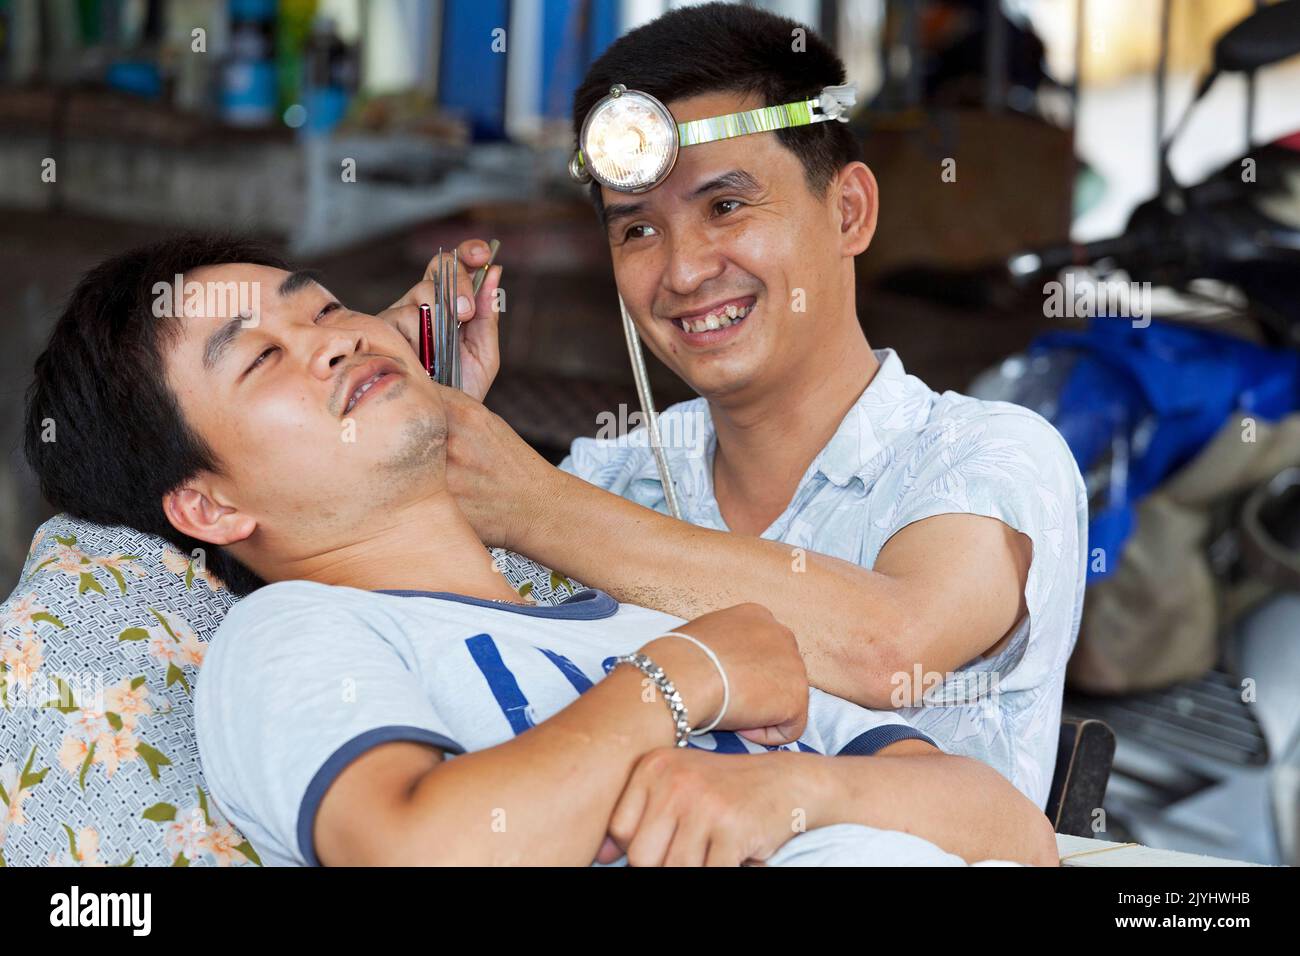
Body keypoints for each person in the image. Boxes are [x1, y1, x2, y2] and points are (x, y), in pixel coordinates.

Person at [23, 235, 1058, 866]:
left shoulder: (641, 613)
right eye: (263, 359)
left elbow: (1011, 826)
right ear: (205, 504)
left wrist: (795, 789)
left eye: (329, 310)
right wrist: (677, 681)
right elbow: (417, 848)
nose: (336, 339)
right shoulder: (297, 637)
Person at [431, 2, 1089, 807]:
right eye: (637, 230)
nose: (681, 272)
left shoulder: (984, 456)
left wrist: (528, 502)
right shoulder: (615, 475)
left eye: (726, 207)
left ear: (848, 210)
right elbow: (441, 641)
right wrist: (417, 433)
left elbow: (891, 645)